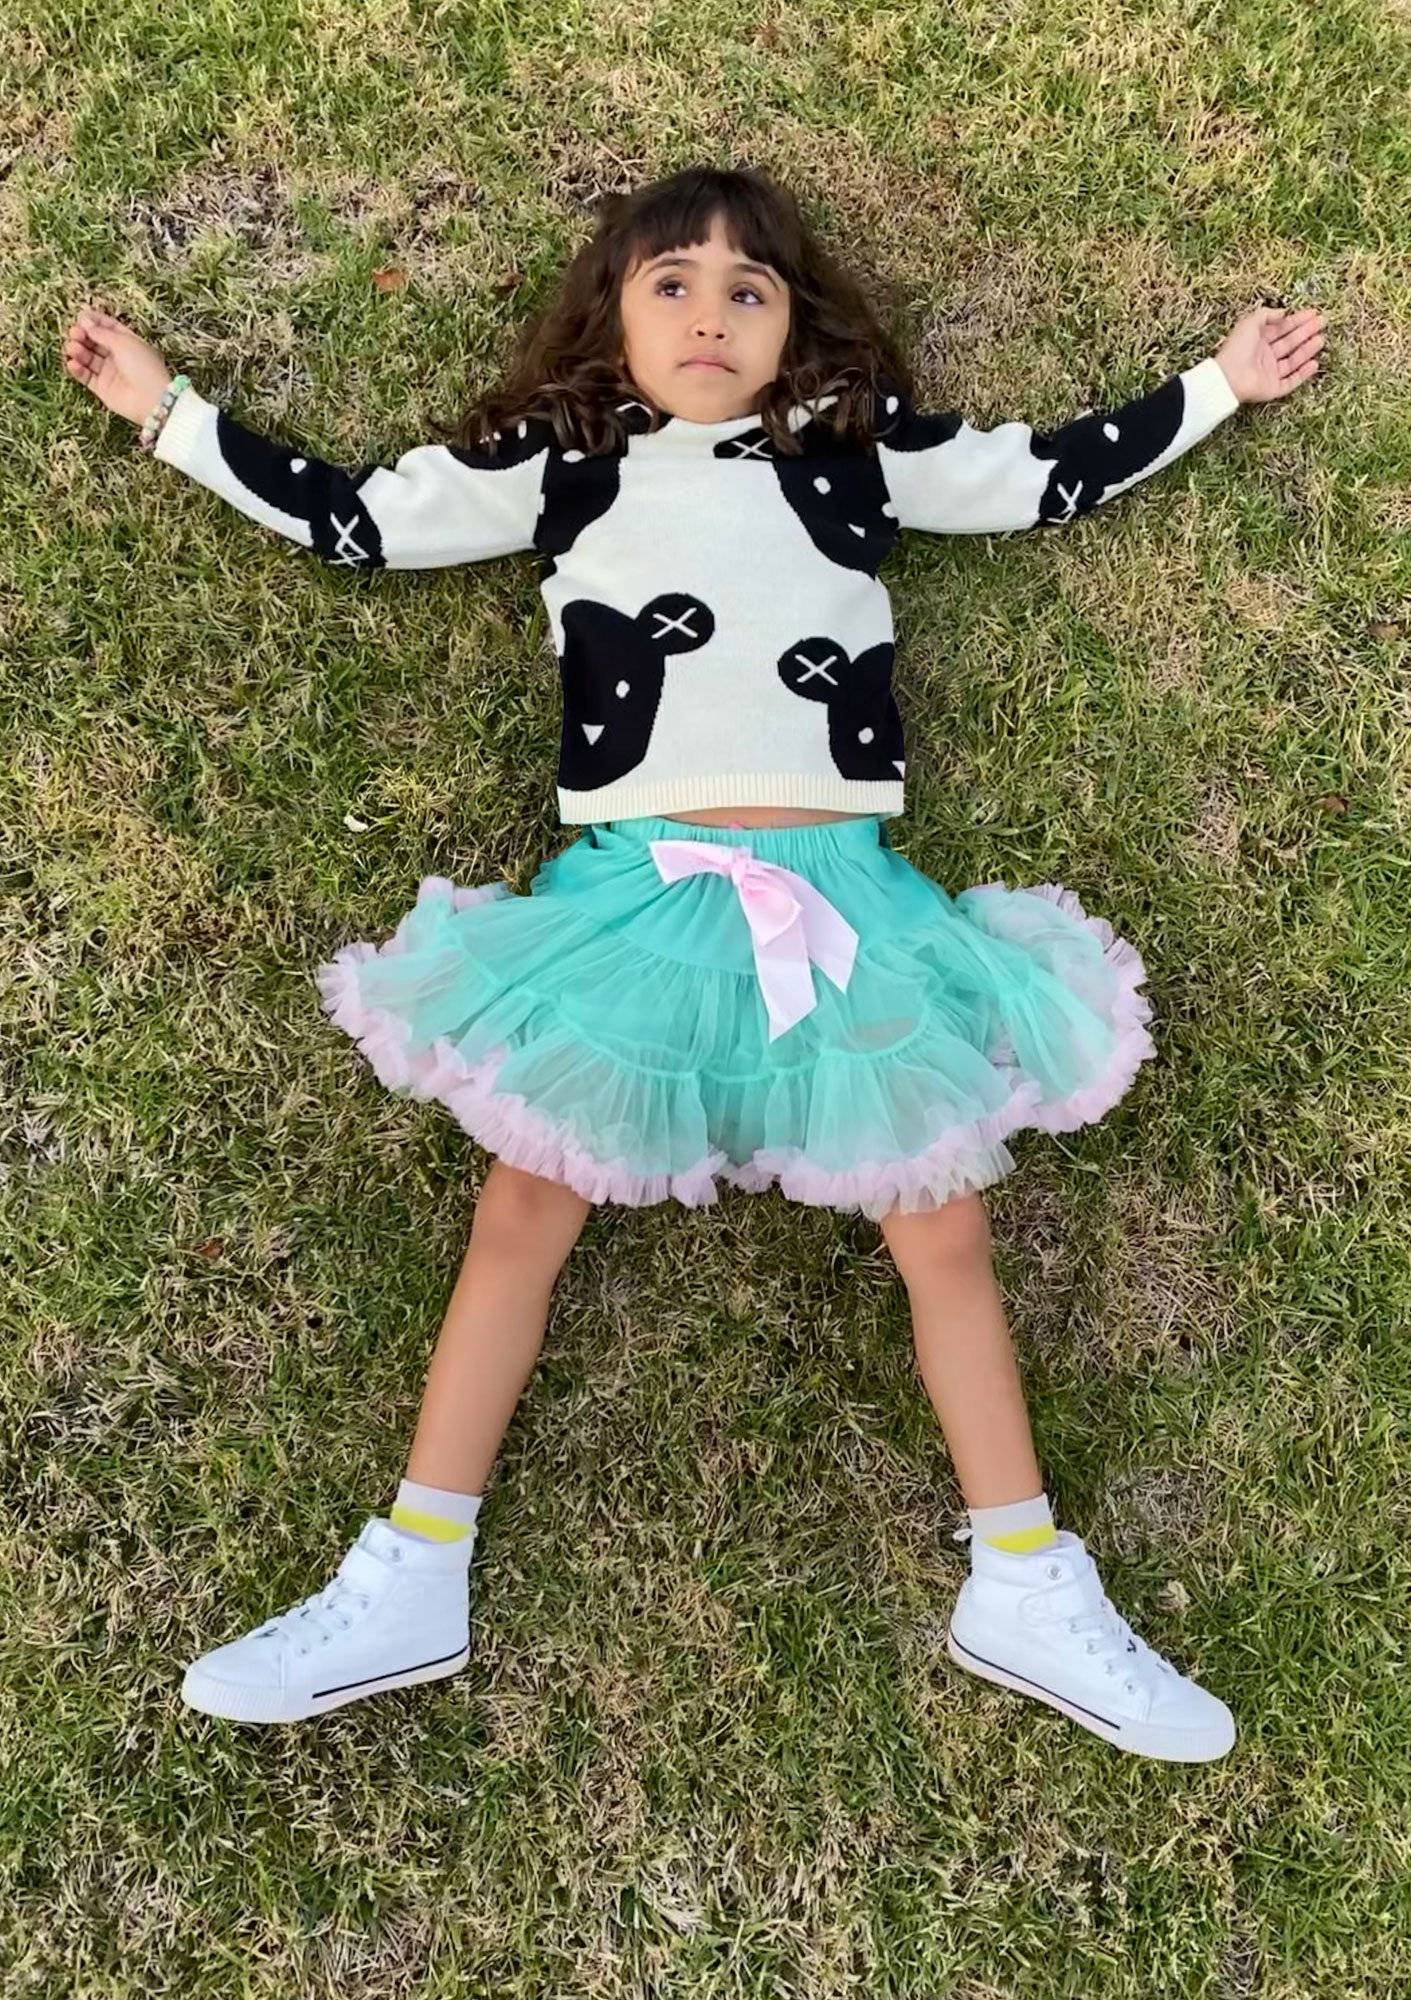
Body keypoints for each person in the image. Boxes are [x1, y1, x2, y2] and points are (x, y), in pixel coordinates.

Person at [62, 164, 1324, 1758]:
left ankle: (1025, 1578)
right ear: (611, 315)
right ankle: (410, 1572)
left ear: (798, 330)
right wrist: (172, 413)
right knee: (521, 1209)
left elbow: (1040, 477)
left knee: (942, 1231)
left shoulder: (852, 455)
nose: (712, 311)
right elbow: (359, 521)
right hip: (632, 903)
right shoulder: (561, 464)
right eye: (672, 282)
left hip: (845, 909)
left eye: (750, 287)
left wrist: (1219, 382)